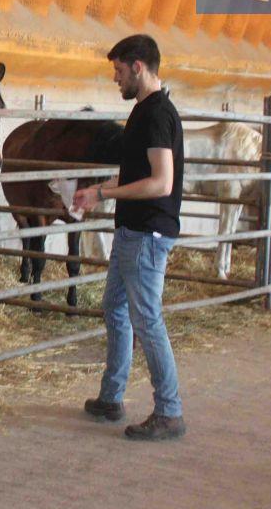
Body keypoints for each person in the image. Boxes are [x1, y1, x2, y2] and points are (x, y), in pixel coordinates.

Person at [72, 34, 186, 441]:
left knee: (146, 318)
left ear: (138, 67)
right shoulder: (142, 112)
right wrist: (97, 190)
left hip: (147, 233)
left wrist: (104, 193)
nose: (116, 79)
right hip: (132, 229)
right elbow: (137, 173)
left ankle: (169, 410)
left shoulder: (156, 115)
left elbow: (160, 182)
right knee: (115, 307)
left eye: (119, 72)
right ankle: (111, 396)